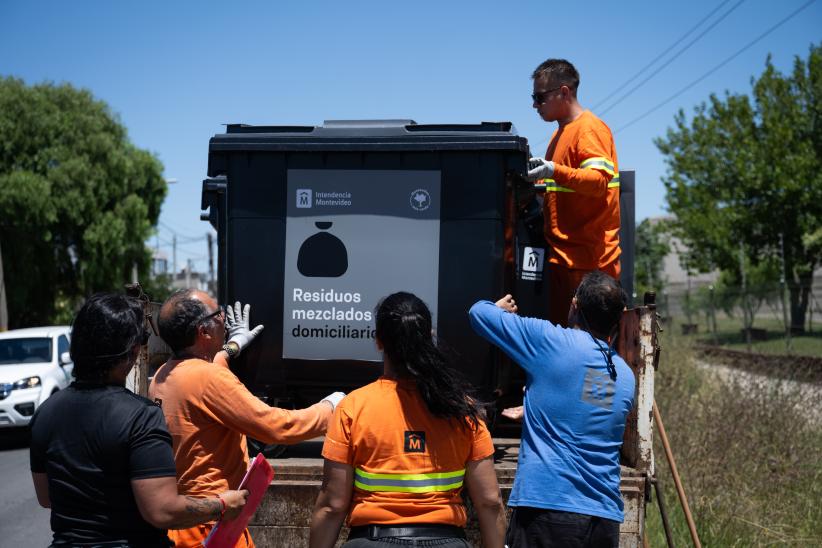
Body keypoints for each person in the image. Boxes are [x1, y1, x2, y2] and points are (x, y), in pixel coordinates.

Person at [30, 293, 248, 547]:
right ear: (132, 351)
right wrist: (221, 505)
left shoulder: (45, 414)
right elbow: (162, 510)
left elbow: (46, 497)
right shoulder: (141, 417)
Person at [149, 289, 344, 548]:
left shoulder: (165, 374)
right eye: (219, 315)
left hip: (189, 521)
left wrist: (233, 345)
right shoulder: (209, 380)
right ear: (203, 332)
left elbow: (206, 368)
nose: (225, 322)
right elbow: (278, 427)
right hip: (212, 524)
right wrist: (329, 409)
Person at [309, 292, 506, 548]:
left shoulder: (352, 408)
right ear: (429, 337)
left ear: (379, 340)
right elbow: (489, 502)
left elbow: (332, 506)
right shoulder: (463, 410)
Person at [469, 272, 635, 548]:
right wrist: (540, 404)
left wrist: (500, 309)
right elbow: (588, 406)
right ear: (618, 319)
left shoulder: (550, 342)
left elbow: (478, 314)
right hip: (603, 521)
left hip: (549, 513)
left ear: (574, 306)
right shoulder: (624, 377)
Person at [525, 58, 621, 327]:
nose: (534, 104)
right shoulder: (560, 135)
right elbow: (560, 190)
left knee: (583, 348)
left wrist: (553, 170)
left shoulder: (589, 129)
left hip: (589, 265)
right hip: (565, 261)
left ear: (564, 92)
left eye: (540, 97)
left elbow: (598, 182)